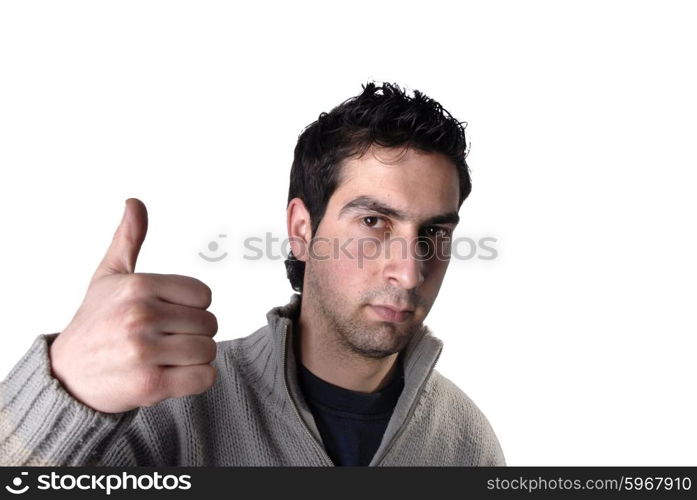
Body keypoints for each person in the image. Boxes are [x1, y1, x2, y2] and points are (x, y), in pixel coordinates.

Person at [0, 82, 505, 466]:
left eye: (434, 233)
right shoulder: (169, 407)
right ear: (302, 230)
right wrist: (64, 393)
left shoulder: (467, 442)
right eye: (373, 222)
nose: (409, 271)